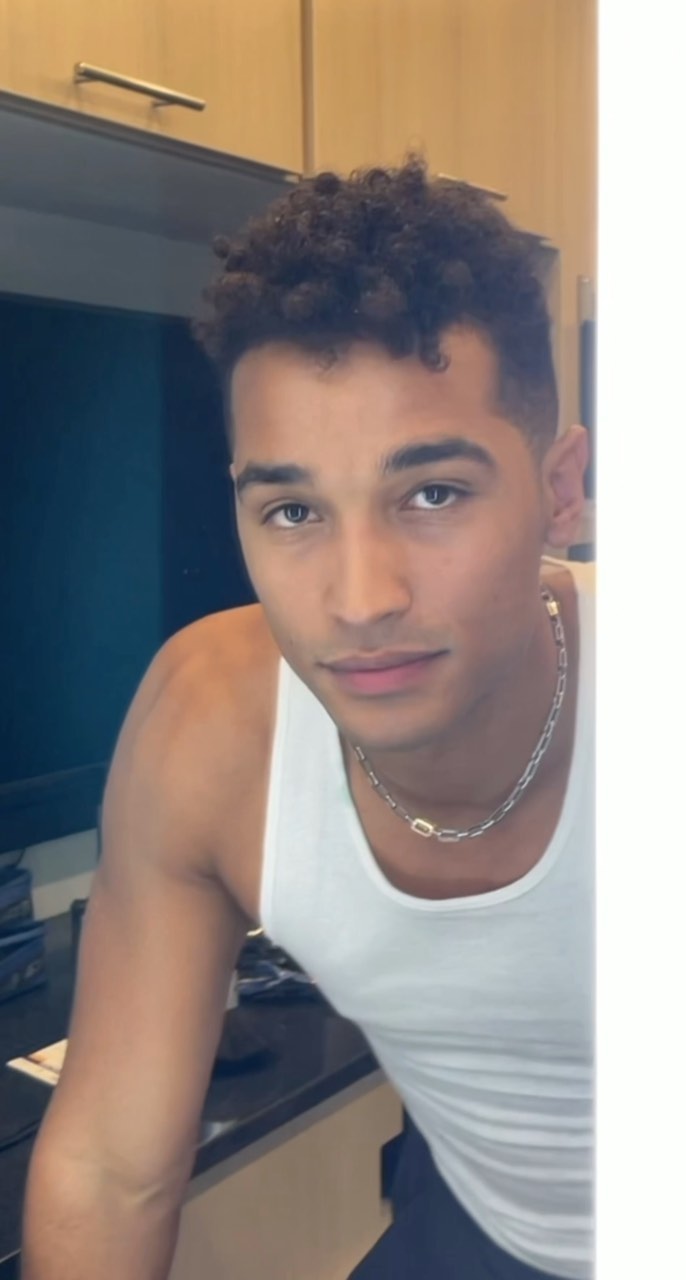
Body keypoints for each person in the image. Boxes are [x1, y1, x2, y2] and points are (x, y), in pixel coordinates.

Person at [21, 157, 594, 1280]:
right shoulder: (213, 724)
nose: (361, 599)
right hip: (482, 1215)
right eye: (292, 510)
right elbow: (109, 1169)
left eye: (432, 492)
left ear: (560, 489)